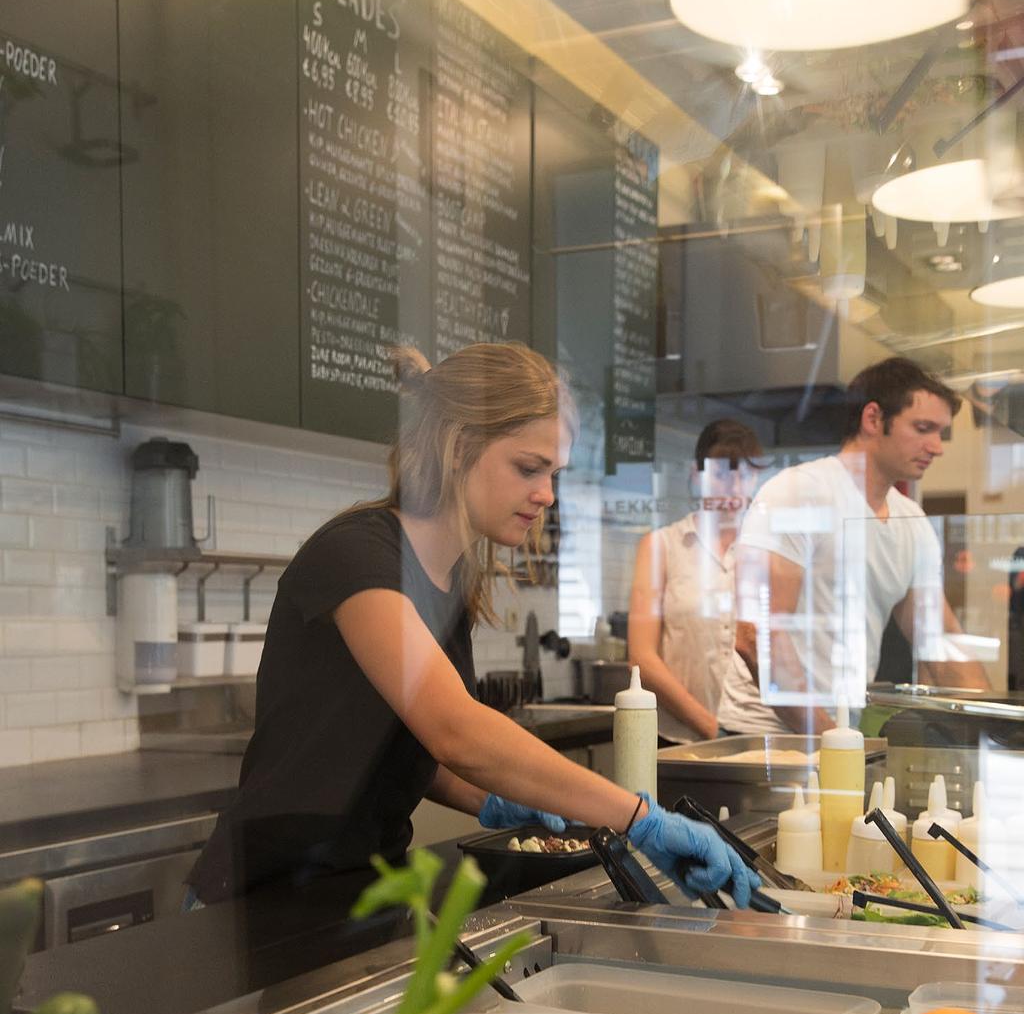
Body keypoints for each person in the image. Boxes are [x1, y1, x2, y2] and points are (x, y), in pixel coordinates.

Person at [187, 342, 757, 914]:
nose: (547, 494)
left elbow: (396, 746)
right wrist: (639, 819)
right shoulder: (357, 558)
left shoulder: (450, 578)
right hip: (259, 897)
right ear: (459, 448)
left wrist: (491, 800)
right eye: (529, 468)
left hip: (360, 888)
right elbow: (453, 729)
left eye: (553, 473)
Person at [717, 357, 989, 737]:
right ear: (873, 419)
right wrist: (833, 740)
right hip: (763, 736)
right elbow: (757, 635)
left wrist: (997, 731)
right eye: (923, 428)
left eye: (940, 433)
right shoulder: (798, 493)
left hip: (840, 733)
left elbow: (941, 644)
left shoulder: (913, 521)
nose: (936, 446)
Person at [627, 419, 767, 743]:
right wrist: (710, 727)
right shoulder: (661, 546)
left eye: (743, 475)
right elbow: (641, 657)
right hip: (678, 740)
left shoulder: (770, 553)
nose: (732, 489)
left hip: (758, 736)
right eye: (721, 474)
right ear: (696, 475)